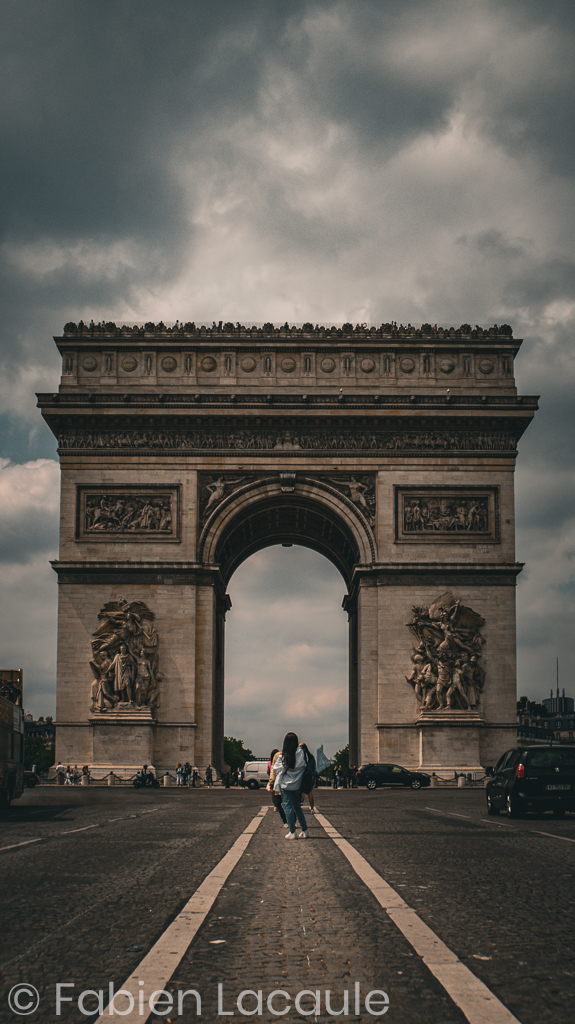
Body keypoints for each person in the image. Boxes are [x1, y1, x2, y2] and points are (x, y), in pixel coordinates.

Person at [268, 732, 308, 839]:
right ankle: (304, 830)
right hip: (297, 784)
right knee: (297, 807)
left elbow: (275, 768)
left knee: (288, 808)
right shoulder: (301, 753)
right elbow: (303, 765)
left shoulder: (283, 755)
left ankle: (292, 831)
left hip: (285, 785)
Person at [267, 748, 287, 825]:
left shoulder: (275, 758)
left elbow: (272, 771)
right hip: (287, 783)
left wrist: (271, 782)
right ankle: (292, 820)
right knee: (288, 804)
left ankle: (285, 821)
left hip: (277, 783)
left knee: (278, 803)